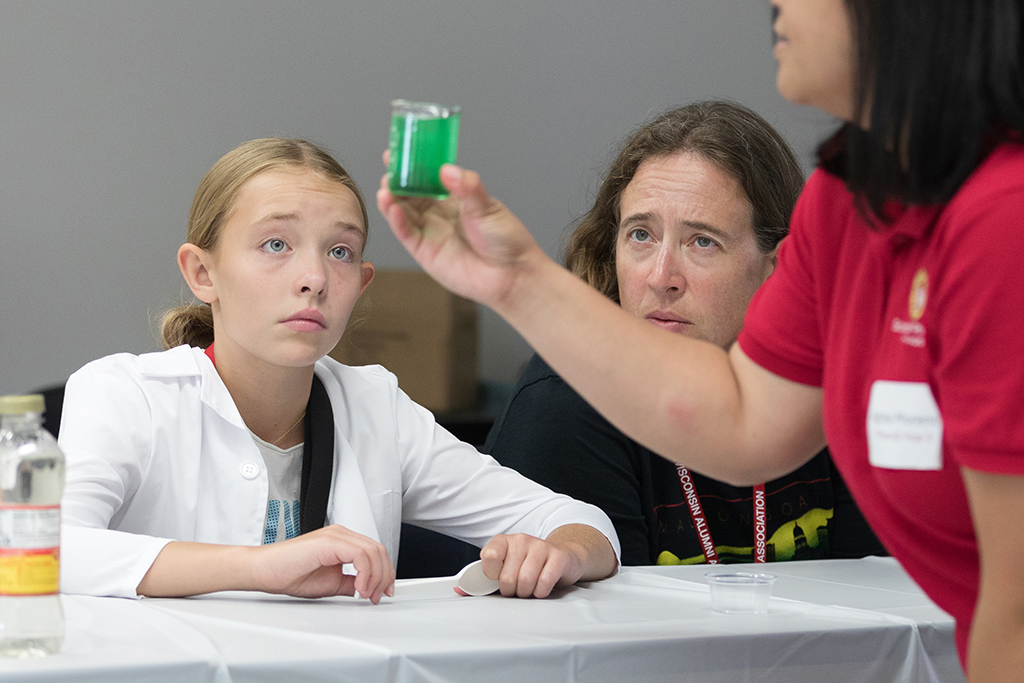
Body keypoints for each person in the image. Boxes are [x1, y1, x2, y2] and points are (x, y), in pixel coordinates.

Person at [377, 0, 1024, 676]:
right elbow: (746, 417)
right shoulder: (847, 197)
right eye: (641, 236)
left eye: (703, 242)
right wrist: (514, 280)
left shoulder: (1003, 218)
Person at [58, 137, 619, 603]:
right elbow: (41, 550)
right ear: (202, 273)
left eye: (341, 252)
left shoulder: (376, 408)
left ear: (361, 284)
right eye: (276, 243)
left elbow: (579, 521)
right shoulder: (124, 394)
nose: (315, 278)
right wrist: (257, 567)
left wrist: (558, 552)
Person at [484, 101, 885, 566]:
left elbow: (875, 599)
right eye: (640, 235)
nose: (660, 277)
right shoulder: (565, 400)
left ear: (777, 267)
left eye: (702, 242)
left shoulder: (826, 382)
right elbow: (601, 628)